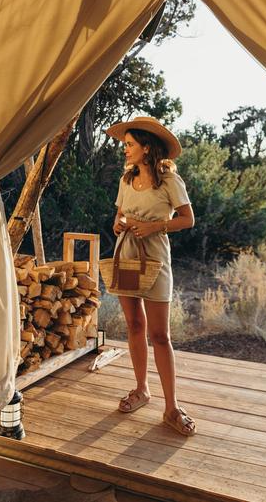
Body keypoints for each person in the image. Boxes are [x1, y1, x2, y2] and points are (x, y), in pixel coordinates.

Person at [105, 116, 196, 436]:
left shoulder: (170, 181)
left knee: (160, 335)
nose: (125, 150)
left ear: (146, 148)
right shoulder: (125, 179)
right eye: (124, 145)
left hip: (156, 260)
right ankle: (142, 389)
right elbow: (119, 214)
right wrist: (118, 224)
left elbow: (188, 219)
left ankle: (171, 407)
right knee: (134, 325)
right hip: (126, 255)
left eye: (129, 145)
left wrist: (156, 226)